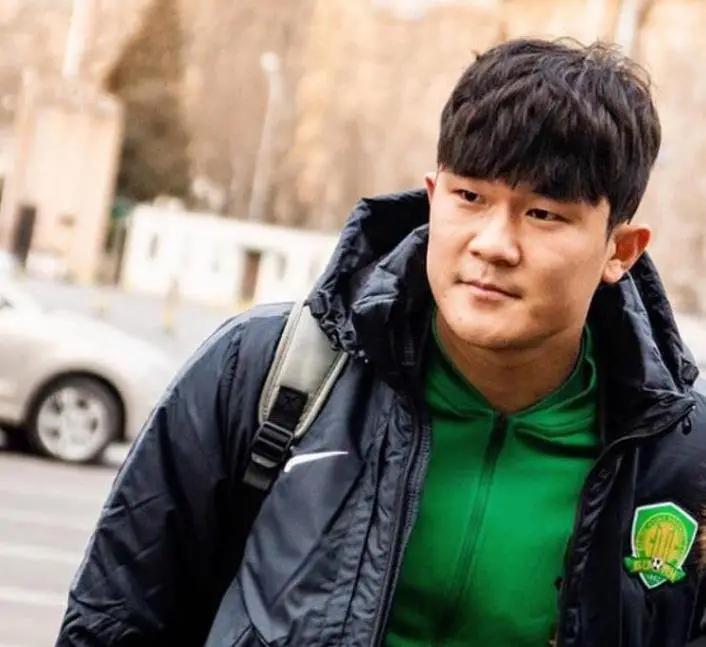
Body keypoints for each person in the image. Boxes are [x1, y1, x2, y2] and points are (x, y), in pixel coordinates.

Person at [57, 39, 706, 647]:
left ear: (620, 250)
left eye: (543, 214)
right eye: (470, 196)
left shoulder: (681, 461)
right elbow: (113, 622)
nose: (493, 244)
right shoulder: (264, 374)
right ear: (433, 197)